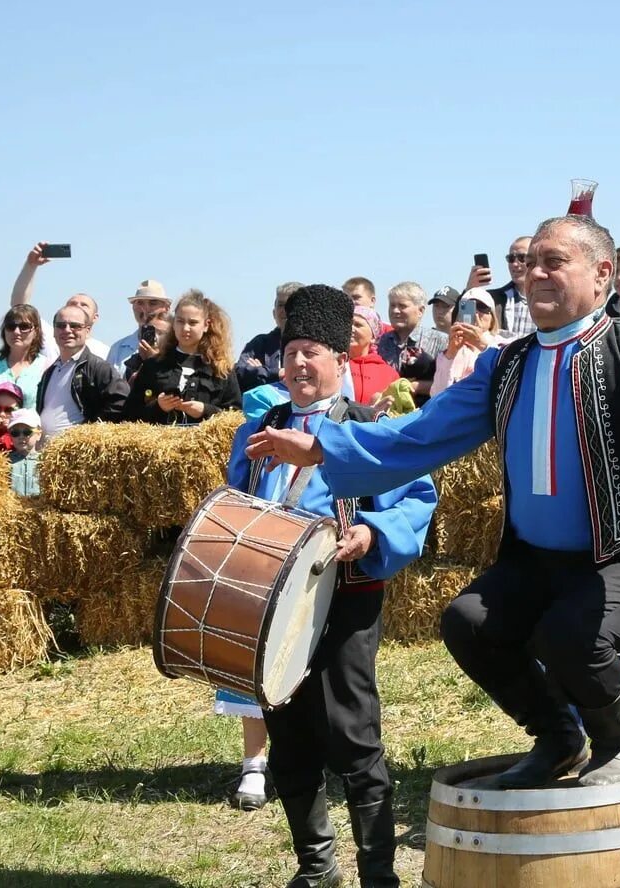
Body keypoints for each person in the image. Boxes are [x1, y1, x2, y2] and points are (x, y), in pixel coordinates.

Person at [245, 214, 620, 792]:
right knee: (469, 623)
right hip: (539, 565)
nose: (535, 274)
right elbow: (420, 434)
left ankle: (617, 741)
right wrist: (321, 444)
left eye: (554, 262)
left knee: (571, 635)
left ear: (603, 272)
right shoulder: (505, 364)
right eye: (531, 263)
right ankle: (557, 735)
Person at [230, 283, 436, 888]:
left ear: (340, 362)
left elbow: (417, 500)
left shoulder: (368, 426)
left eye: (312, 351)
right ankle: (316, 868)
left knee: (352, 733)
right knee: (290, 735)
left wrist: (372, 534)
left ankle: (379, 874)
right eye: (291, 350)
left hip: (346, 596)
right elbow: (235, 504)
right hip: (274, 603)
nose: (298, 363)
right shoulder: (257, 430)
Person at [122, 290, 241, 424]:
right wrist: (158, 407)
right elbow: (128, 415)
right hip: (160, 443)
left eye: (193, 323)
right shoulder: (153, 366)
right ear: (173, 323)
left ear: (206, 325)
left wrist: (206, 411)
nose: (185, 328)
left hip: (203, 443)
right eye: (180, 321)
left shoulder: (221, 369)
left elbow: (236, 417)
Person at [34, 305, 130, 447]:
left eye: (75, 326)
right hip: (47, 456)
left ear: (88, 331)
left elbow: (121, 401)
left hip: (77, 456)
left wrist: (87, 434)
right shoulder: (50, 371)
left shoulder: (99, 368)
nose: (67, 330)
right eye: (61, 325)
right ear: (54, 331)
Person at [11, 241, 111, 359]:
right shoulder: (51, 337)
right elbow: (19, 307)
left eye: (84, 305)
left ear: (95, 317)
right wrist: (31, 265)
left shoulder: (105, 351)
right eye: (72, 304)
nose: (77, 306)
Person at [0, 305, 48, 434]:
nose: (16, 332)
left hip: (32, 446)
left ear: (36, 331)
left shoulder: (47, 367)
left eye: (24, 327)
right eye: (11, 326)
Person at [377, 282, 448, 407]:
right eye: (392, 305)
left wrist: (417, 386)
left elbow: (450, 382)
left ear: (420, 310)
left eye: (402, 306)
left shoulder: (440, 341)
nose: (395, 311)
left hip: (428, 414)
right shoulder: (381, 342)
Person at [429, 288, 506, 397]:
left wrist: (481, 343)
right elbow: (436, 394)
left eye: (482, 307)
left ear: (492, 317)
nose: (476, 313)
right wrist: (450, 355)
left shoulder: (504, 344)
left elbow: (506, 375)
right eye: (468, 307)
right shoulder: (454, 347)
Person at [238, 281, 304, 392]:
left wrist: (260, 371)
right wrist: (277, 373)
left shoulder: (315, 344)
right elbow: (240, 372)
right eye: (281, 305)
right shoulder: (260, 344)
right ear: (274, 313)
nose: (284, 310)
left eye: (290, 304)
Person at [467, 236, 537, 339]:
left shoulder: (550, 299)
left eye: (522, 258)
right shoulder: (491, 300)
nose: (515, 264)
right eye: (511, 259)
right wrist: (469, 291)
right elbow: (465, 324)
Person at [106, 280, 173, 372]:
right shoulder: (118, 349)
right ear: (133, 307)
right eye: (140, 303)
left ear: (167, 308)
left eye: (153, 303)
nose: (146, 308)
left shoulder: (177, 345)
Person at [346, 306, 397, 406]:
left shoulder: (390, 375)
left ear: (373, 337)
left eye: (358, 325)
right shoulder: (333, 364)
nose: (351, 328)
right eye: (348, 324)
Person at [7, 409, 41, 497]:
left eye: (27, 432)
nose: (21, 437)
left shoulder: (45, 462)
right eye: (15, 433)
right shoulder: (5, 462)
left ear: (39, 434)